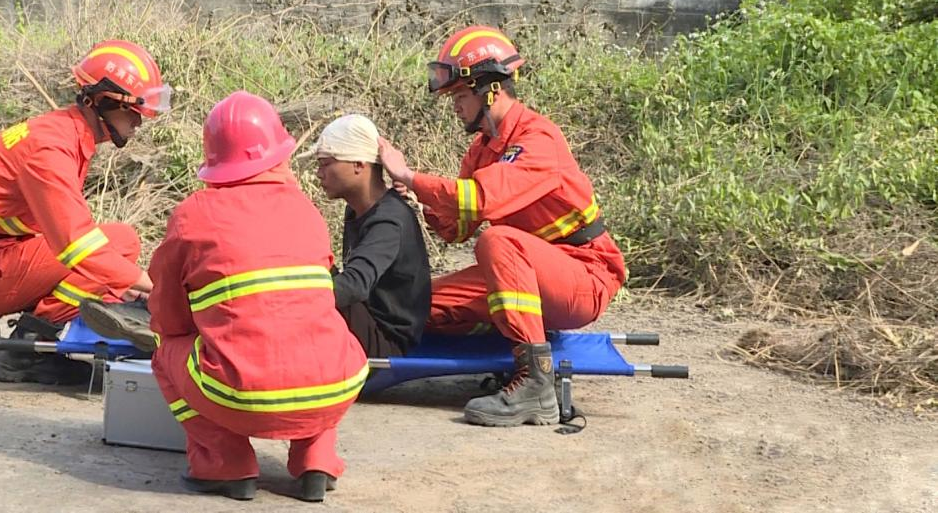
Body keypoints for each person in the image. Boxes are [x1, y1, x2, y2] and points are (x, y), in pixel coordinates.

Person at [92, 91, 367, 503]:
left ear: (215, 158)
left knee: (166, 354)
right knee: (318, 343)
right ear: (278, 152)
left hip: (240, 394)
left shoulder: (193, 215)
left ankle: (227, 464)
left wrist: (193, 334)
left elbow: (168, 317)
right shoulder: (306, 210)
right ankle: (317, 460)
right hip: (338, 386)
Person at [377, 25, 627, 427]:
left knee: (497, 241)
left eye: (459, 95)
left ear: (489, 89)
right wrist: (410, 198)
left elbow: (483, 199)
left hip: (584, 274)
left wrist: (411, 176)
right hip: (525, 272)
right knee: (416, 305)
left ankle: (536, 385)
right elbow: (453, 228)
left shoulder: (539, 138)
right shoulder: (483, 149)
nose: (454, 106)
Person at [0, 39, 170, 385]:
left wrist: (121, 283)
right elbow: (78, 246)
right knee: (120, 243)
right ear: (101, 101)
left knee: (112, 260)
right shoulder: (51, 150)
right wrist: (153, 286)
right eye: (133, 111)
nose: (140, 122)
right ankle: (26, 348)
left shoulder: (61, 131)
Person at [308, 114, 431, 357]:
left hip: (386, 339)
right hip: (369, 320)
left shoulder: (388, 219)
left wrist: (293, 304)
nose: (319, 173)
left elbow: (355, 285)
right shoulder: (356, 209)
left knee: (307, 261)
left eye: (326, 163)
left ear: (359, 165)